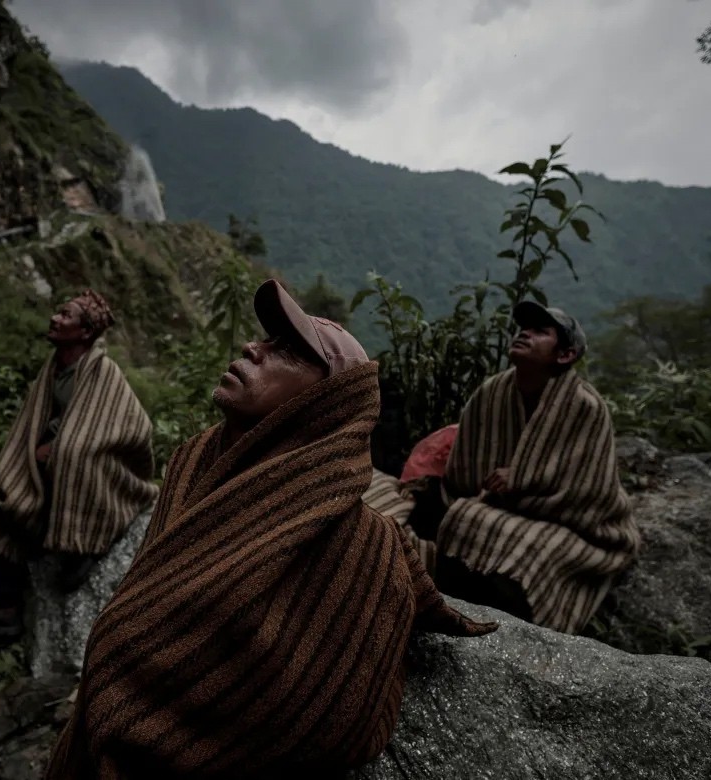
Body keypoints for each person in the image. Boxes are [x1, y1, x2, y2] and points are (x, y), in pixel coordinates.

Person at [44, 279, 497, 780]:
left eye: (285, 351)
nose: (250, 348)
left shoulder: (357, 547)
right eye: (265, 340)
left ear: (327, 400)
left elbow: (329, 710)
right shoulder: (194, 463)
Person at [367, 301, 640, 635]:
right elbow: (465, 474)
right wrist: (488, 490)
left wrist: (521, 479)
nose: (524, 332)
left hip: (575, 524)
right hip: (493, 505)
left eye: (541, 331)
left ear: (565, 355)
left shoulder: (585, 406)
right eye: (524, 327)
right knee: (450, 512)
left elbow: (586, 489)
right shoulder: (493, 392)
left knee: (511, 539)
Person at [0, 289, 158, 638]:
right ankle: (3, 608)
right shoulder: (55, 368)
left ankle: (87, 543)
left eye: (65, 315)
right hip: (52, 469)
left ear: (85, 332)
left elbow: (115, 422)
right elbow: (48, 416)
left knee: (76, 455)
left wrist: (59, 447)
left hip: (100, 469)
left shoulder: (102, 370)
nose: (55, 318)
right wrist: (41, 446)